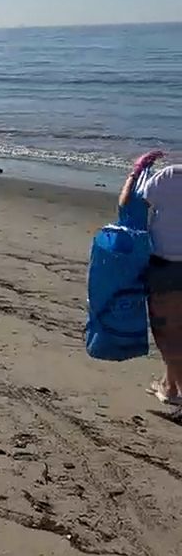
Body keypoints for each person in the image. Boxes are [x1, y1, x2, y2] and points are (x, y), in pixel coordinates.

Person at [122, 152, 182, 407]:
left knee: (166, 334)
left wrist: (136, 172)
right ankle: (169, 387)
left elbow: (128, 204)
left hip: (167, 267)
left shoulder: (170, 175)